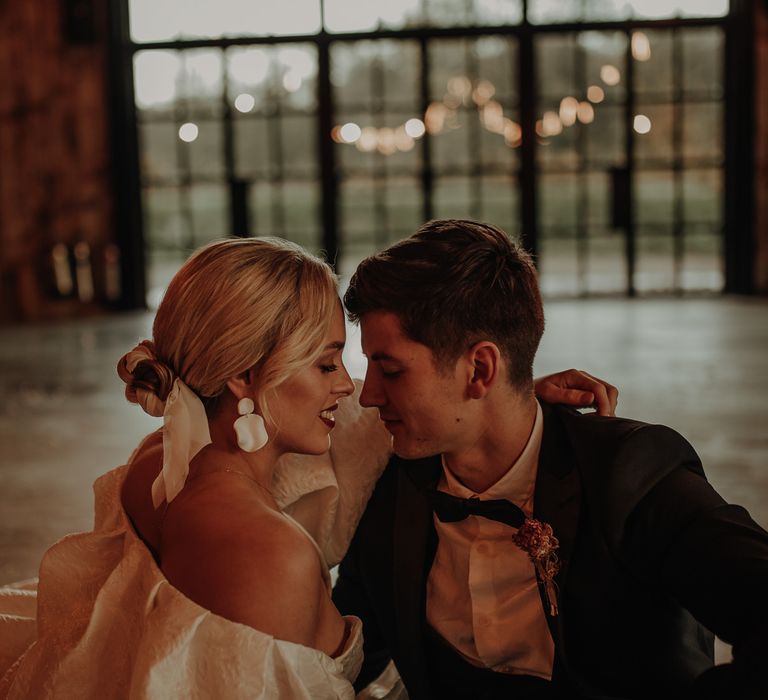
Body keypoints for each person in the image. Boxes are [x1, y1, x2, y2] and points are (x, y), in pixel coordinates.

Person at [0, 236, 616, 699]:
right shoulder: (266, 553)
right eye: (327, 365)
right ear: (243, 375)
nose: (351, 389)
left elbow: (372, 426)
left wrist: (505, 392)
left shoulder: (162, 463)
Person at [333, 219, 768, 700]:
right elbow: (344, 653)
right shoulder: (387, 486)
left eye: (390, 370)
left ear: (480, 369)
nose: (368, 395)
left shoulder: (628, 475)